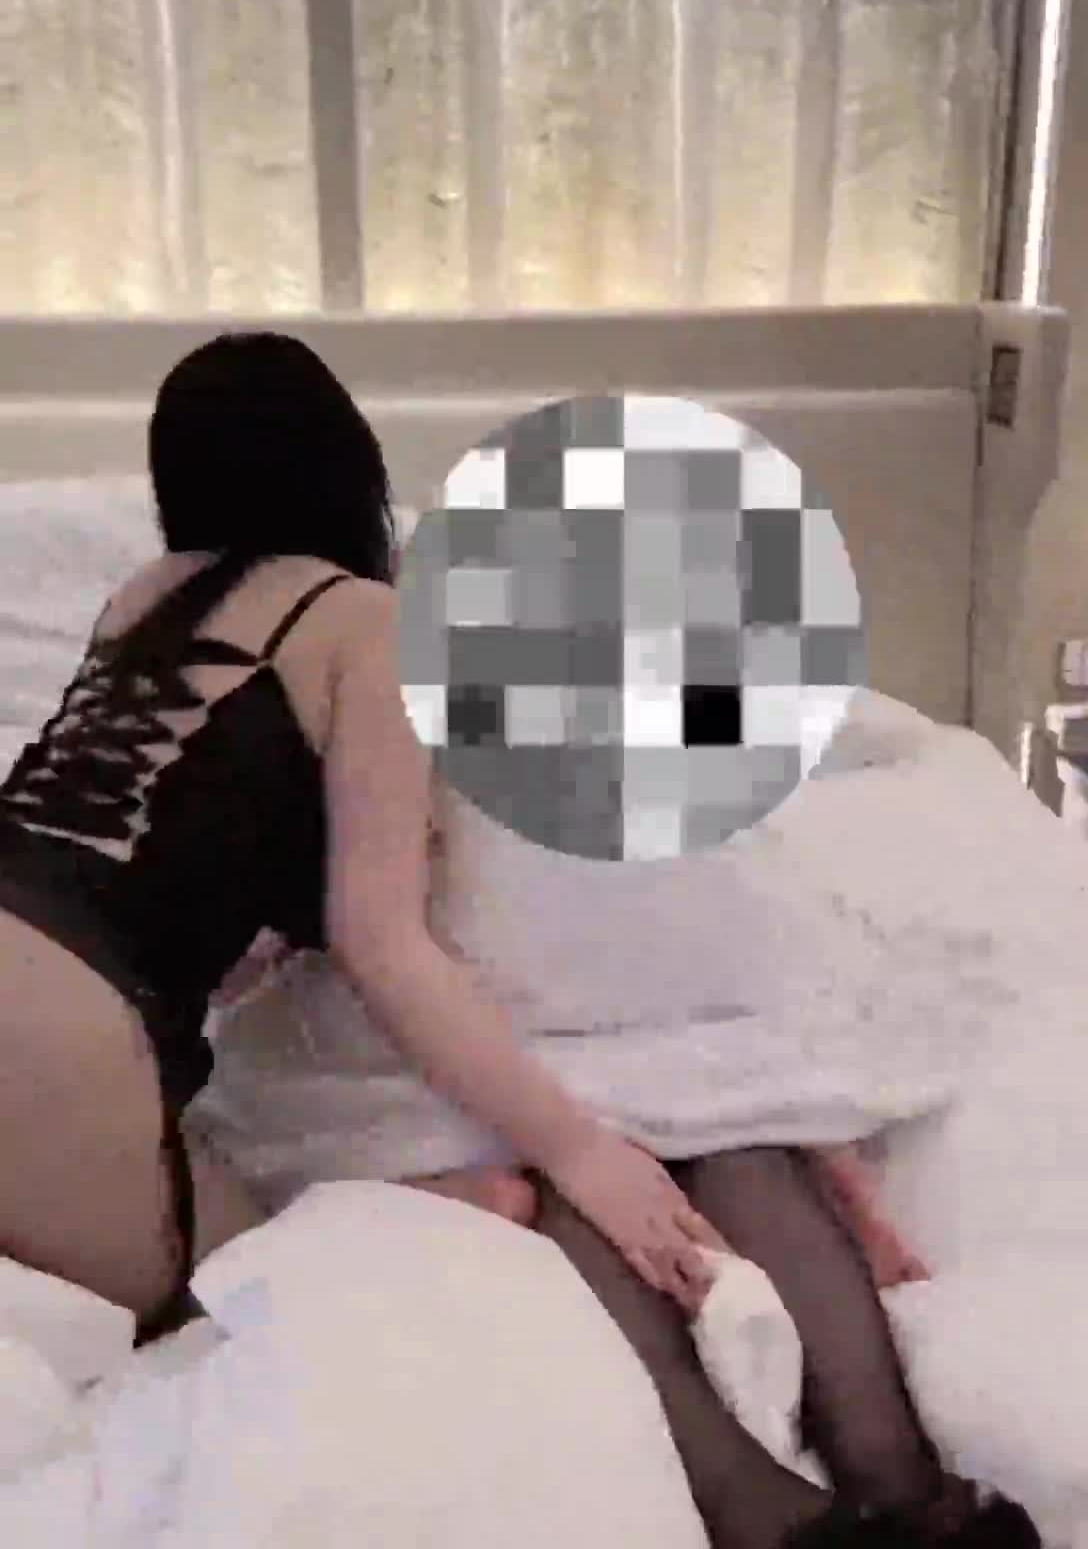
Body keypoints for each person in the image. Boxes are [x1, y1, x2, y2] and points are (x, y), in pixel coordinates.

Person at [0, 332, 717, 1342]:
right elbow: (381, 943)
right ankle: (430, 1206)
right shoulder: (368, 622)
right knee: (243, 1297)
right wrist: (580, 1149)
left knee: (213, 1215)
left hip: (40, 977)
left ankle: (421, 1204)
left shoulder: (141, 596)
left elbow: (112, 839)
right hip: (56, 1030)